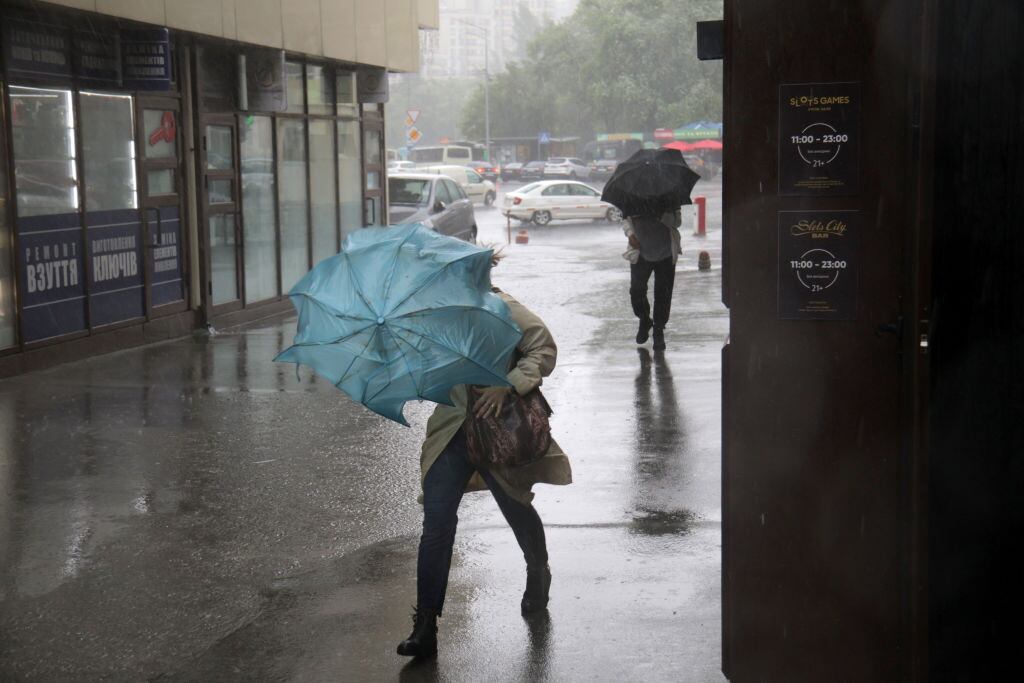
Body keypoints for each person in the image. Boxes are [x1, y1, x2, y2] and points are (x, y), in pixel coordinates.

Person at [397, 271, 572, 659]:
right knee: (437, 525)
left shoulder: (504, 307)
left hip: (498, 431)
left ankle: (537, 569)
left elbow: (543, 349)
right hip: (451, 432)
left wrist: (508, 384)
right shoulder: (441, 316)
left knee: (516, 509)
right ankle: (425, 624)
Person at [622, 208, 683, 350]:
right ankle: (644, 320)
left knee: (663, 294)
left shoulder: (669, 198)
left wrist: (661, 215)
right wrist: (630, 234)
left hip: (665, 252)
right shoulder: (633, 196)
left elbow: (678, 222)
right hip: (640, 252)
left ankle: (658, 330)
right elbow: (624, 217)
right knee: (636, 291)